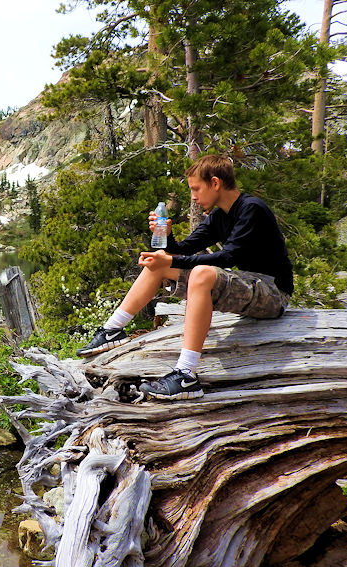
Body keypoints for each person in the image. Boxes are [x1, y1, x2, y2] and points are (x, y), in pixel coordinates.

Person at [76, 154, 293, 400]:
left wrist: (170, 260)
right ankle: (112, 330)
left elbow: (227, 257)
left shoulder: (251, 209)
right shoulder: (219, 216)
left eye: (196, 188)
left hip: (274, 293)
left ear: (215, 183)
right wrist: (166, 237)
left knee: (200, 272)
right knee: (158, 265)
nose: (193, 196)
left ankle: (186, 375)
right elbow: (184, 249)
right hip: (248, 284)